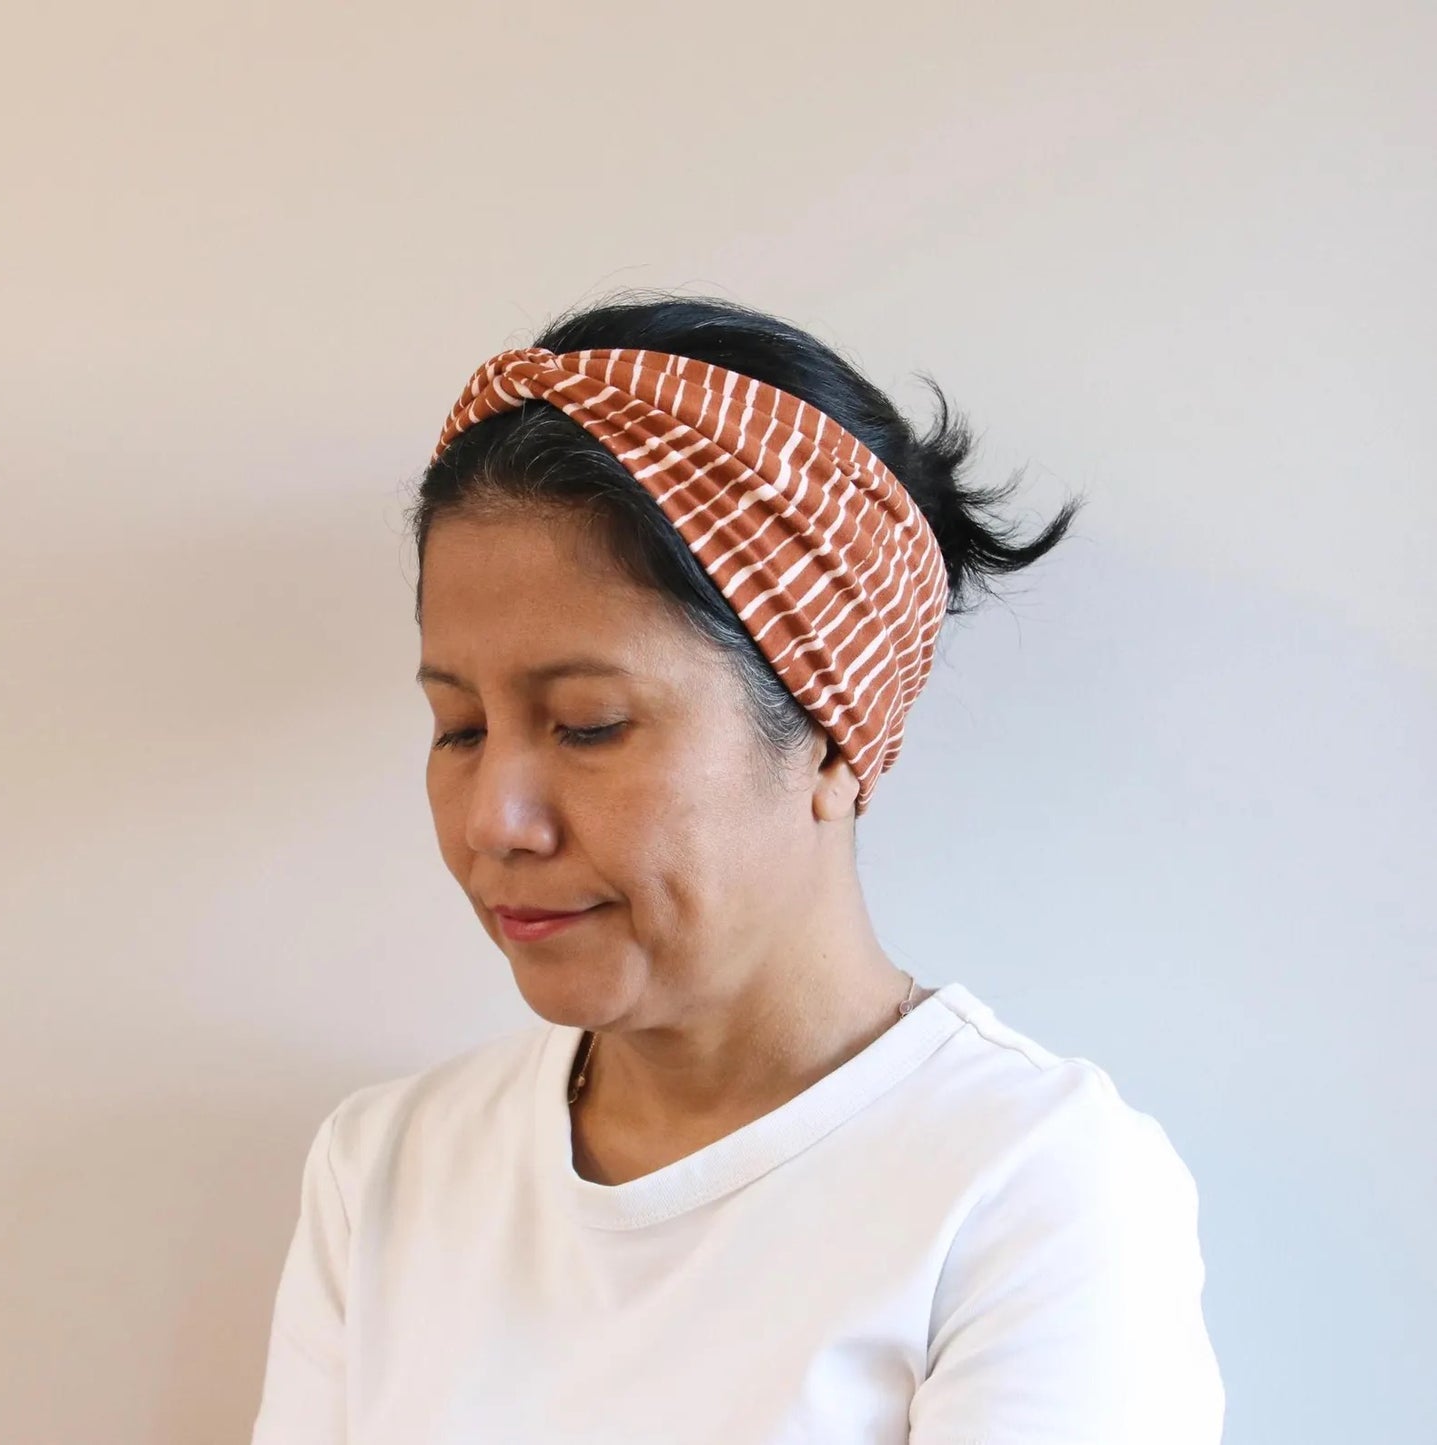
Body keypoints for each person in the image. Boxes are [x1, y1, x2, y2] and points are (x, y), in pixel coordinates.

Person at [248, 292, 1225, 1443]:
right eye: (459, 728)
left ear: (828, 737)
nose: (494, 822)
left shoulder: (1027, 1189)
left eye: (588, 724)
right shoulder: (384, 1169)